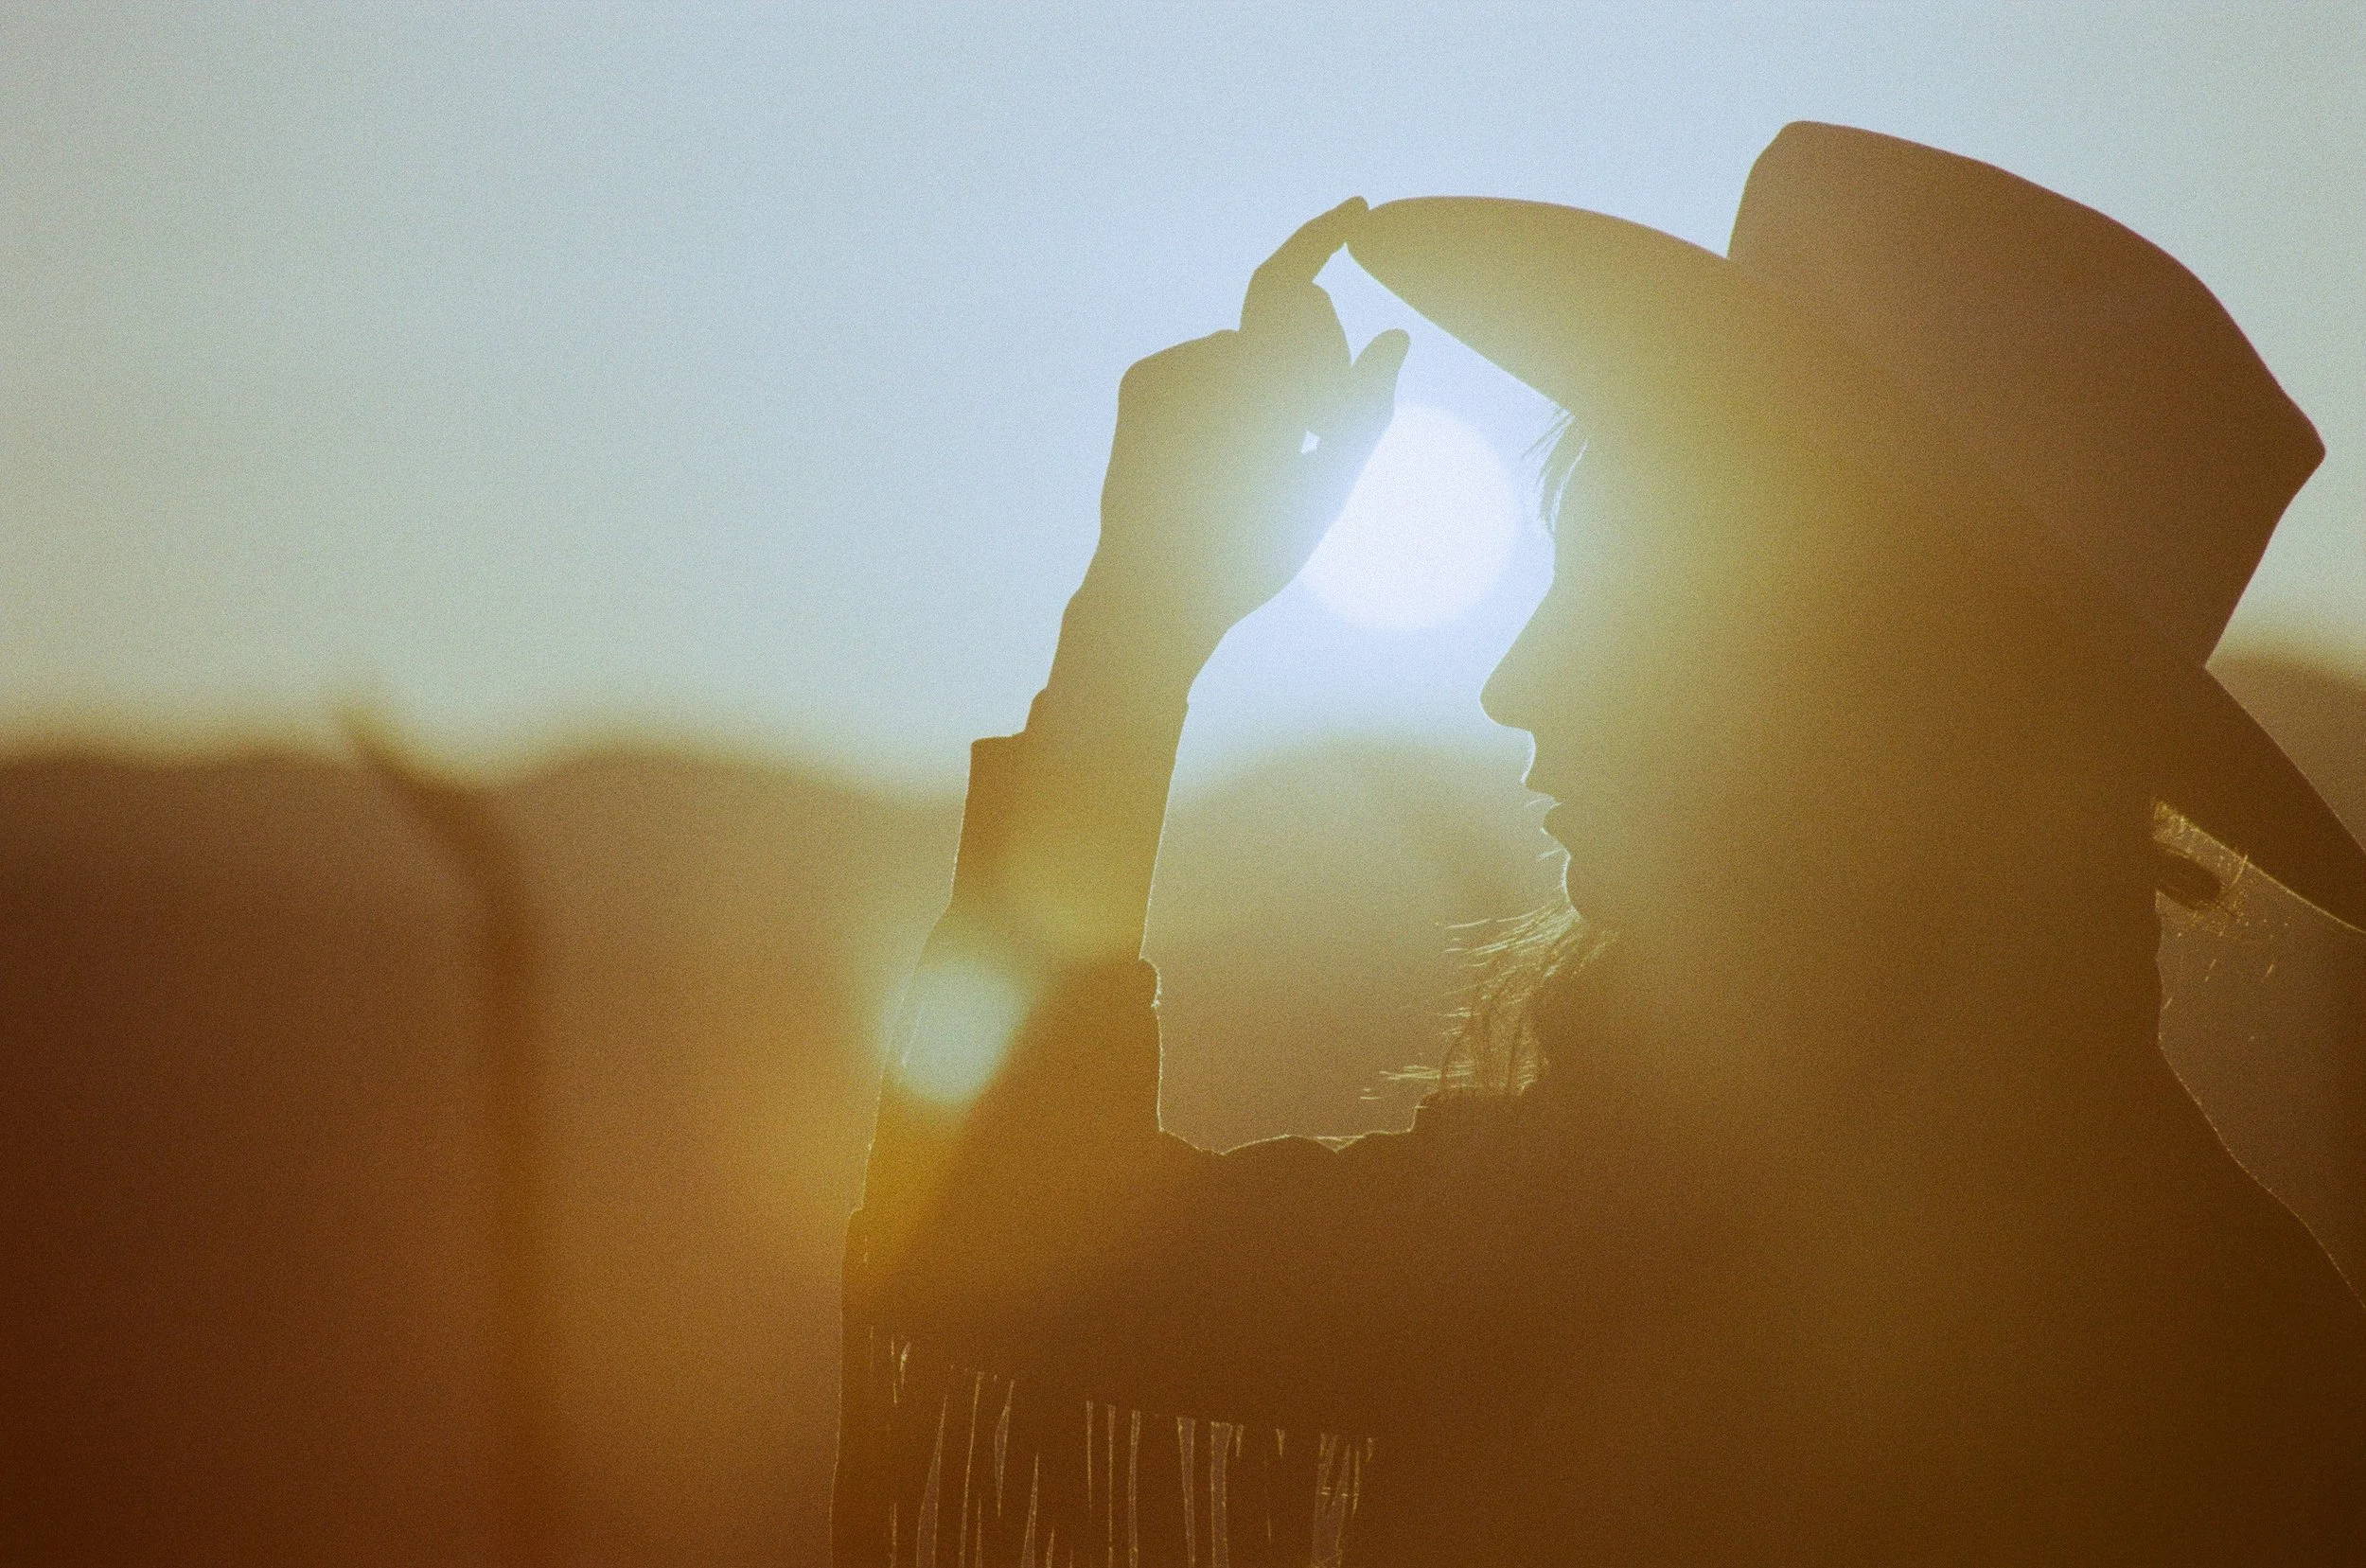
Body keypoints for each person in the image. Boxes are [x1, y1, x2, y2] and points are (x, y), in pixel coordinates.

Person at [832, 124, 2366, 1564]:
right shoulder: (2216, 1316)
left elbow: (999, 1241)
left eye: (1638, 606)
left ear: (1876, 697)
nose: (1517, 681)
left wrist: (1140, 628)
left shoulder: (1612, 1239)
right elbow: (1000, 1242)